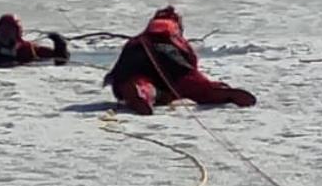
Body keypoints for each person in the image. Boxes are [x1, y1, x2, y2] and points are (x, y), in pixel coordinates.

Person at [103, 6, 256, 115]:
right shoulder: (172, 35)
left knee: (140, 80)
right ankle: (216, 91)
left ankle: (139, 90)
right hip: (170, 55)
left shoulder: (141, 37)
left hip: (136, 52)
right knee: (193, 86)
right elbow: (190, 62)